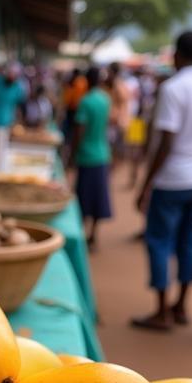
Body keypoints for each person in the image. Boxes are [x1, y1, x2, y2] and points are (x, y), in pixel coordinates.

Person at [132, 31, 192, 331]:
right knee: (188, 242)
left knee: (159, 241)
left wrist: (146, 182)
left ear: (176, 54)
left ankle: (162, 310)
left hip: (173, 179)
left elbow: (166, 142)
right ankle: (182, 305)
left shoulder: (172, 88)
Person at [71, 66, 112, 250]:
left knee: (84, 198)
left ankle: (82, 234)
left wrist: (73, 154)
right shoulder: (105, 100)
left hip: (87, 155)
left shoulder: (85, 102)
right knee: (98, 198)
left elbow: (79, 131)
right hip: (102, 153)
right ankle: (93, 235)